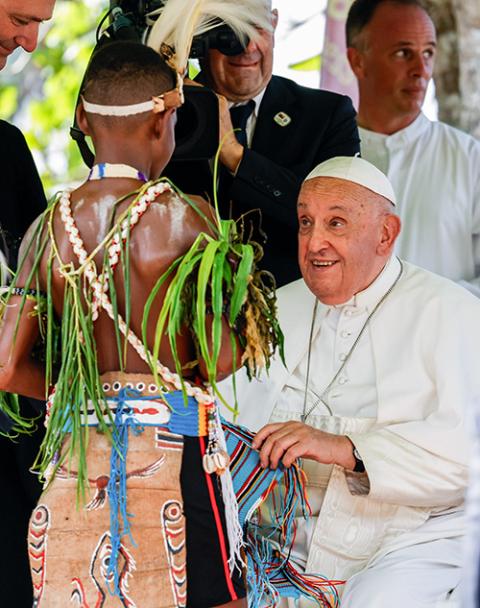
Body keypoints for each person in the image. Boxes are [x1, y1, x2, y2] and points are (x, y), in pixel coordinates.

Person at [0, 39, 337, 608]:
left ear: (83, 119)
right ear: (166, 120)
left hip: (76, 462)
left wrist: (81, 392)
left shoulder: (45, 231)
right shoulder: (187, 220)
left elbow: (7, 367)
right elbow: (225, 357)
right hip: (177, 458)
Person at [219, 155, 480, 607]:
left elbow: (467, 458)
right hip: (288, 539)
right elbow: (221, 421)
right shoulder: (274, 308)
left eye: (336, 223)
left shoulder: (452, 312)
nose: (314, 241)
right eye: (305, 222)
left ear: (385, 234)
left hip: (410, 537)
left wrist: (346, 450)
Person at [161, 0, 360, 287]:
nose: (247, 45)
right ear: (199, 34)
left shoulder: (328, 115)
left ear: (275, 23)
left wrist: (236, 156)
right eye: (229, 29)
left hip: (296, 315)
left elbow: (339, 224)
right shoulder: (168, 112)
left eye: (256, 24)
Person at [346, 0, 480, 297]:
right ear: (358, 61)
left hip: (445, 339)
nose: (421, 70)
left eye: (428, 53)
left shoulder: (469, 159)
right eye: (403, 53)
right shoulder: (328, 156)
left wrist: (431, 307)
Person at [0, 1, 55, 605]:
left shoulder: (9, 151)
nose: (31, 41)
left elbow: (39, 295)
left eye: (40, 23)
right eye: (19, 15)